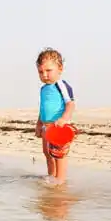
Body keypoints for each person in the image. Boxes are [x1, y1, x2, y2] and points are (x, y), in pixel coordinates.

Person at [35, 47, 75, 184]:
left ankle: (60, 180)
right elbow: (43, 109)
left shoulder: (61, 85)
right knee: (47, 153)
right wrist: (39, 124)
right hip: (46, 126)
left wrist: (64, 119)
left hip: (59, 126)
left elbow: (70, 104)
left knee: (59, 154)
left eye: (48, 70)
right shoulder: (43, 89)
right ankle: (51, 176)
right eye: (40, 72)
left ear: (60, 68)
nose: (44, 75)